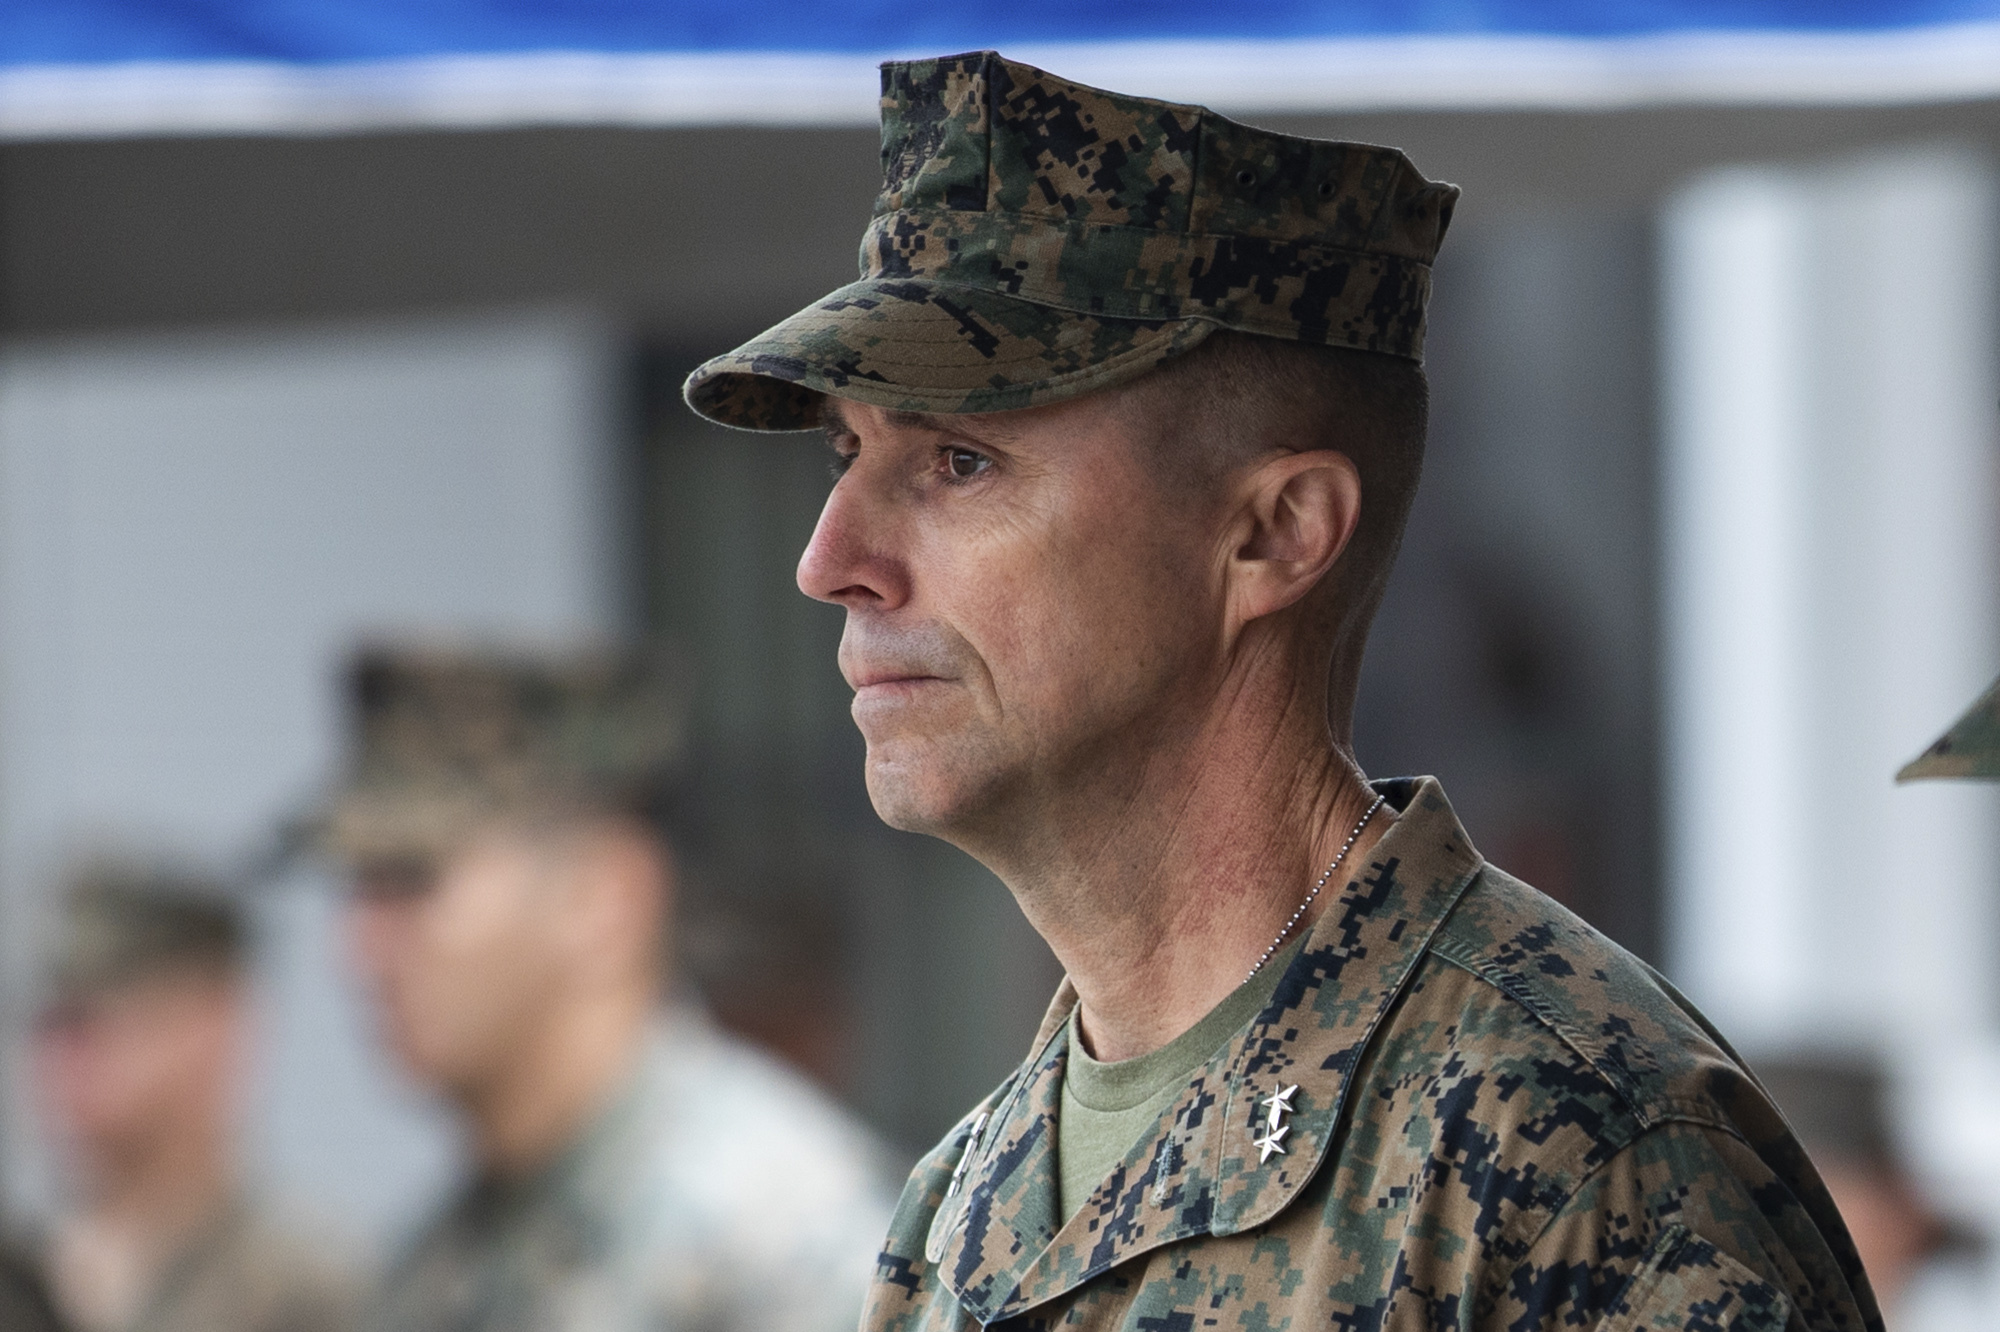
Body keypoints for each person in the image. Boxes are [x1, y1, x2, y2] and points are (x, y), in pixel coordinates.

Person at [682, 51, 1882, 1331]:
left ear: (1273, 533)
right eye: (844, 454)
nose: (829, 564)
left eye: (960, 463)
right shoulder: (963, 1210)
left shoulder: (1565, 1153)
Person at [317, 644, 895, 1332]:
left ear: (602, 896)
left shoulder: (775, 1240)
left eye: (412, 882)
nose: (360, 950)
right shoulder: (437, 1267)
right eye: (357, 891)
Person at [30, 863, 355, 1332]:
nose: (68, 1047)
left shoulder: (307, 1298)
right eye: (54, 1019)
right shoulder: (23, 1283)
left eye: (112, 1013)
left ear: (218, 1024)